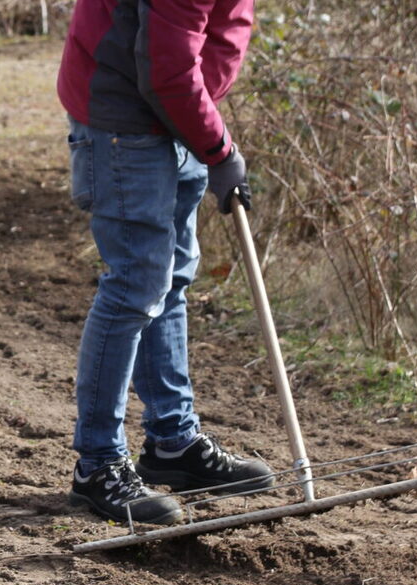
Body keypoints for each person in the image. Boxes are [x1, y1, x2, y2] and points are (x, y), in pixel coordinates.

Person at [56, 0, 274, 526]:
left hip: (173, 110)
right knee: (135, 285)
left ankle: (172, 442)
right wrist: (219, 150)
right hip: (126, 114)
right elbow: (167, 65)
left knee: (170, 280)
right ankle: (98, 465)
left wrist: (205, 133)